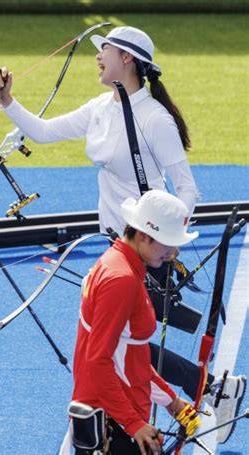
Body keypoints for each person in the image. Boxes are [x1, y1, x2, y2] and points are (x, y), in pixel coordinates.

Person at [0, 25, 245, 443]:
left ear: (126, 59)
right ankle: (198, 390)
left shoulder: (154, 118)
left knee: (127, 340)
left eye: (104, 50)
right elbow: (44, 132)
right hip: (120, 243)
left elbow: (187, 189)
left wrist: (166, 237)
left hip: (146, 246)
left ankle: (205, 388)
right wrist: (7, 102)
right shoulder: (100, 108)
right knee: (125, 339)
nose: (97, 55)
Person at [61, 190, 200, 454]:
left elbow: (131, 358)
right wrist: (134, 423)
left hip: (114, 415)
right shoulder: (121, 280)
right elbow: (98, 361)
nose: (174, 252)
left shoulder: (119, 265)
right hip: (114, 423)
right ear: (143, 236)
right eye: (168, 243)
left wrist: (171, 401)